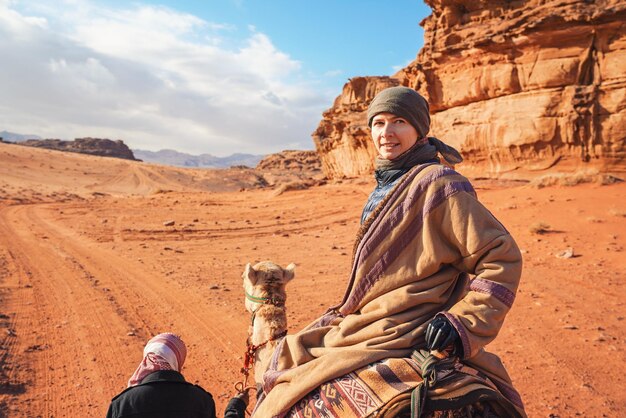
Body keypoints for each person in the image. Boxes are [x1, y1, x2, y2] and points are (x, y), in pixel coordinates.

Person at [251, 86, 526, 417]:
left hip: (407, 322)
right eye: (378, 123)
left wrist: (461, 322)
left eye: (399, 121)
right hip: (370, 315)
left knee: (288, 375)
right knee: (298, 349)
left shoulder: (440, 184)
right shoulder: (387, 185)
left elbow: (501, 257)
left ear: (418, 129)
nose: (387, 133)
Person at [106, 332, 248, 418]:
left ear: (147, 357)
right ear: (178, 360)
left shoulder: (121, 404)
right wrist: (236, 406)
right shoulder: (201, 400)